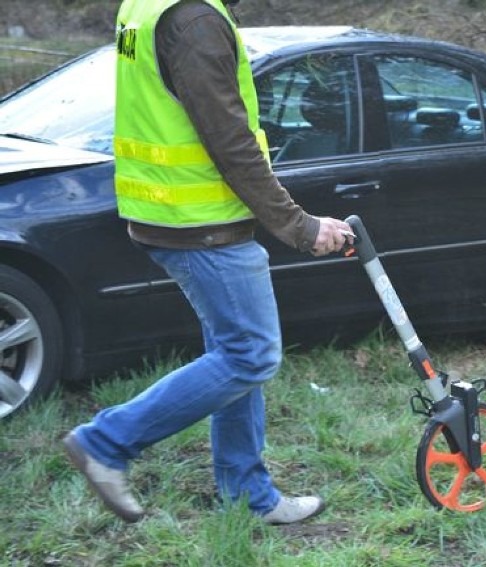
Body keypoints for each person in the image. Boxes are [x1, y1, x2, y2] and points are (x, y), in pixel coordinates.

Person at [63, 0, 352, 524]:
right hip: (203, 223)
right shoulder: (193, 20)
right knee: (251, 355)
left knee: (233, 350)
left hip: (171, 213)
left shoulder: (149, 6)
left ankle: (247, 493)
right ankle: (106, 444)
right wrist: (300, 227)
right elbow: (230, 141)